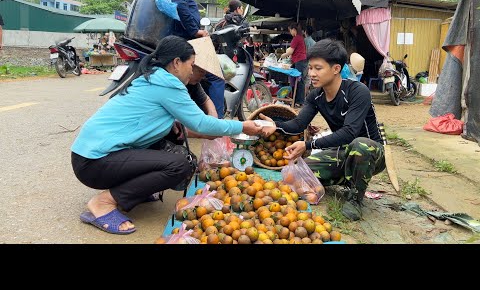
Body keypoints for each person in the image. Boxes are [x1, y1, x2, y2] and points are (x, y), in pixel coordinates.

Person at [71, 35, 264, 235]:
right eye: (191, 64)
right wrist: (243, 126)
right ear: (176, 63)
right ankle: (103, 202)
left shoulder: (153, 77)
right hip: (94, 162)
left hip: (89, 156)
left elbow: (178, 125)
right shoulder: (168, 85)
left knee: (171, 149)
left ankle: (134, 191)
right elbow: (202, 123)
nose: (192, 69)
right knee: (179, 165)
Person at [259, 39, 386, 221]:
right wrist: (275, 125)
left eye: (318, 68)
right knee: (295, 176)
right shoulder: (316, 95)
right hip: (342, 151)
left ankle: (355, 199)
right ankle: (347, 176)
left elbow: (350, 132)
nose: (312, 73)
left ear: (335, 69)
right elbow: (297, 124)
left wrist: (308, 144)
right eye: (310, 68)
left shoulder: (358, 91)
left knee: (361, 145)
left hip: (371, 153)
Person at [167, 0, 225, 118]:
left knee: (196, 80)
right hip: (186, 43)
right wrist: (195, 31)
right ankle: (218, 120)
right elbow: (180, 6)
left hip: (178, 42)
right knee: (217, 77)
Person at [280, 23, 307, 107]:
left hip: (300, 60)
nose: (290, 32)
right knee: (296, 80)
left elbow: (290, 51)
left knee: (299, 80)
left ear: (294, 30)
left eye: (290, 30)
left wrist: (282, 55)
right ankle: (296, 100)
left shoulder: (296, 38)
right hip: (298, 60)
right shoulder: (299, 38)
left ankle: (300, 101)